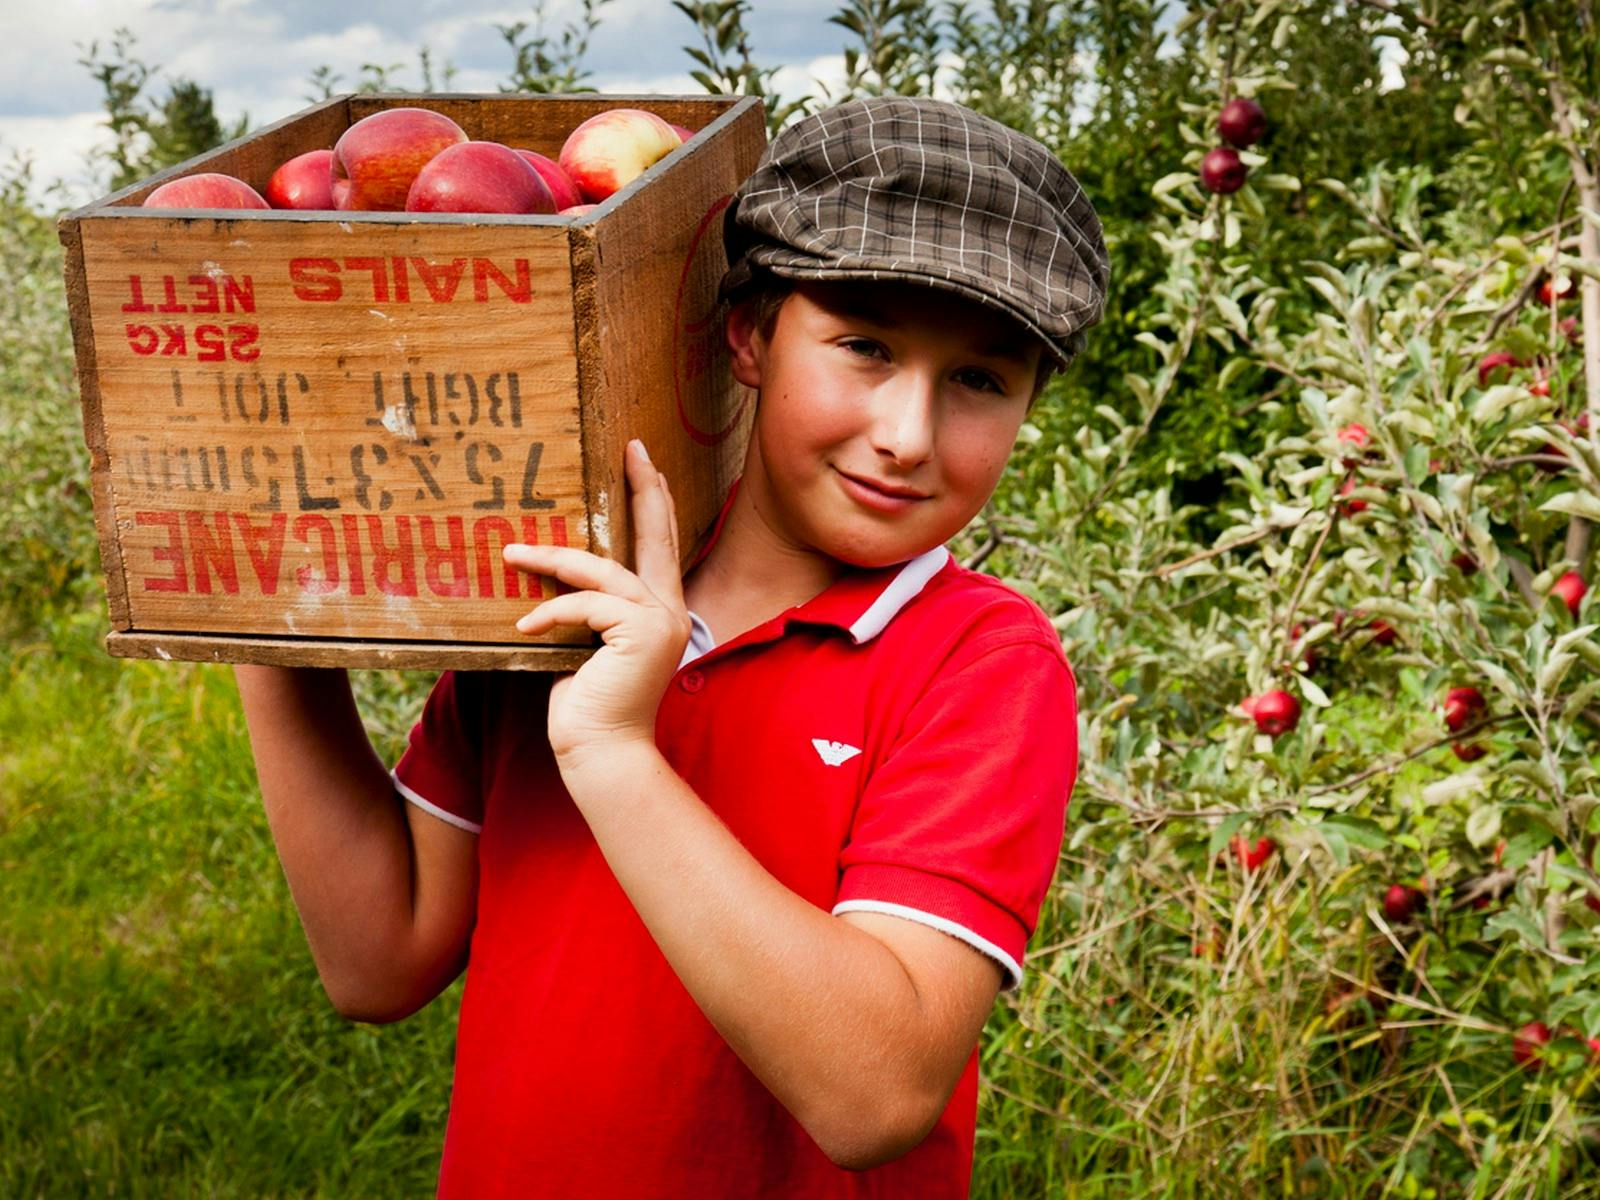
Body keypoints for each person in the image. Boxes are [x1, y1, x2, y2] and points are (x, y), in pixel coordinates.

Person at [233, 94, 1108, 1198]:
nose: (907, 434)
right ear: (745, 334)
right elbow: (379, 957)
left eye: (980, 380)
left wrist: (613, 755)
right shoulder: (573, 591)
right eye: (863, 346)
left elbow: (875, 1093)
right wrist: (258, 606)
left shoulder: (978, 664)